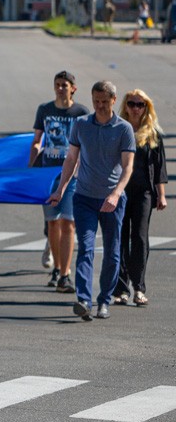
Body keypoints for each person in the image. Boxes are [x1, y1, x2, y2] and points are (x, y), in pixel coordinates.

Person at [48, 81, 135, 321]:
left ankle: (104, 300)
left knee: (112, 251)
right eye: (96, 101)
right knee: (85, 247)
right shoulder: (81, 125)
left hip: (111, 200)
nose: (99, 106)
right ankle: (84, 300)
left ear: (113, 101)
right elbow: (71, 159)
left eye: (104, 102)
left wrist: (116, 193)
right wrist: (61, 189)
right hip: (84, 197)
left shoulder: (123, 129)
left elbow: (128, 167)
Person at [30, 71, 89, 293]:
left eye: (65, 84)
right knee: (52, 223)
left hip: (72, 175)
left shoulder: (81, 113)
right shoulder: (45, 110)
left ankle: (65, 273)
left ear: (73, 87)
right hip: (48, 174)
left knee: (69, 223)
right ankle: (56, 267)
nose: (60, 88)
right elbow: (37, 140)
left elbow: (87, 143)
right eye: (57, 84)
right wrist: (31, 168)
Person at [112, 90, 167, 306]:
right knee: (120, 237)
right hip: (120, 191)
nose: (136, 108)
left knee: (140, 238)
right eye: (132, 103)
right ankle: (121, 288)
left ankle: (139, 288)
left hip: (144, 192)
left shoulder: (152, 133)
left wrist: (161, 195)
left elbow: (160, 167)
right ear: (125, 106)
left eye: (140, 104)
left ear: (146, 108)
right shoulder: (117, 129)